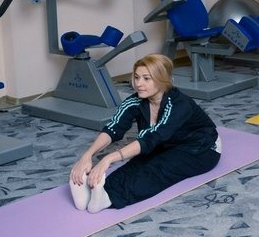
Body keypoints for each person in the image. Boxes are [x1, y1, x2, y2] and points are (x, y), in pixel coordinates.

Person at [69, 54, 221, 213]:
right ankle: (97, 189)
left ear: (162, 80)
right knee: (137, 163)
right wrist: (87, 155)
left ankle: (109, 198)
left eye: (146, 78)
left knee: (159, 168)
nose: (138, 84)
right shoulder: (135, 101)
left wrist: (108, 159)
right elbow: (113, 128)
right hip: (165, 143)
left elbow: (151, 138)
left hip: (201, 147)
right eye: (136, 77)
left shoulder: (179, 104)